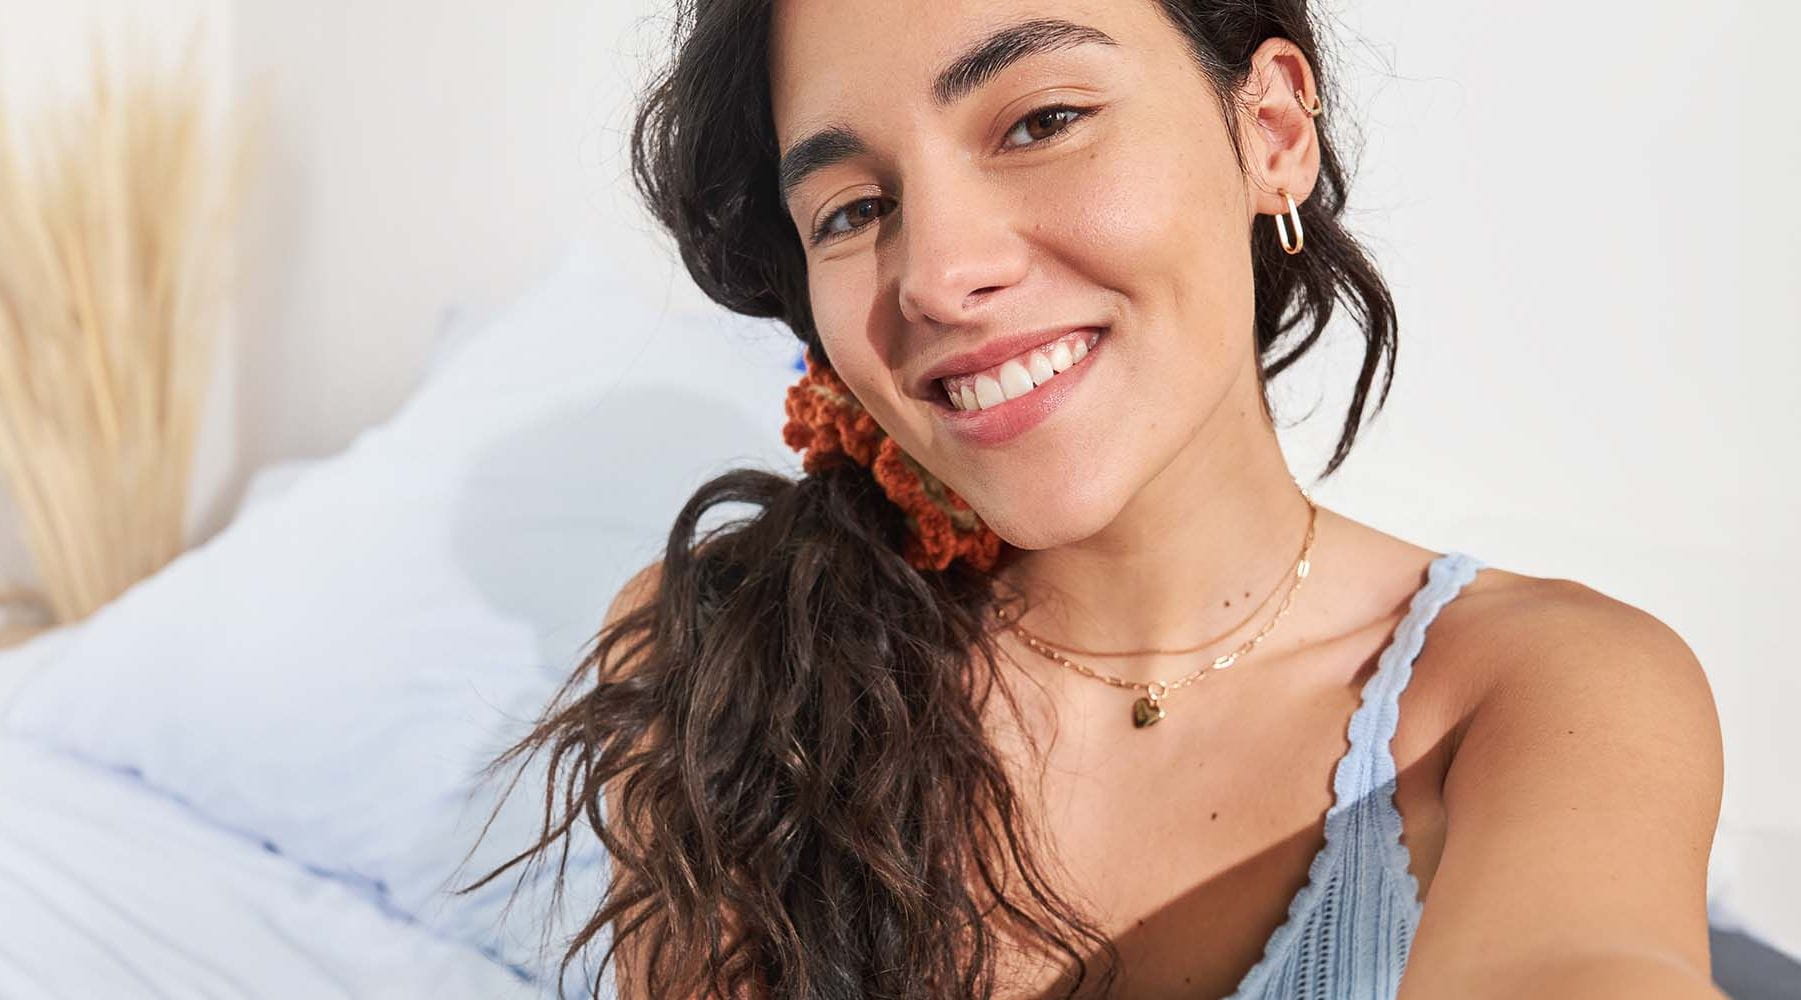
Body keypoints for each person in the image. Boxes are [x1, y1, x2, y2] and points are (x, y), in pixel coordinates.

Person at [458, 2, 1727, 997]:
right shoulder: (725, 664)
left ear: (1273, 130)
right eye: (852, 209)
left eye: (1041, 120)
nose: (942, 277)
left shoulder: (1536, 692)